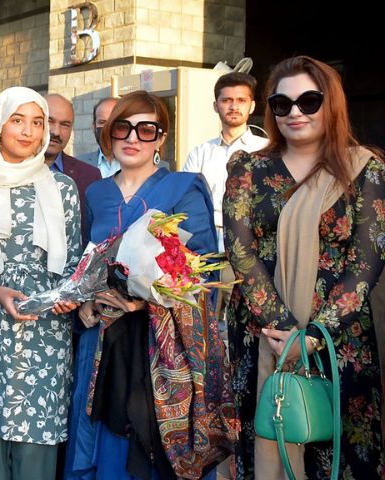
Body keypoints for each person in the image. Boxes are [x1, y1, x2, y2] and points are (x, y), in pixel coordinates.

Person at [224, 55, 385, 479]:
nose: (295, 112)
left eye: (309, 101)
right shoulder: (248, 169)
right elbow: (240, 250)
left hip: (338, 339)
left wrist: (313, 335)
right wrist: (284, 331)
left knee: (337, 454)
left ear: (331, 105)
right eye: (282, 104)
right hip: (264, 337)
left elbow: (367, 261)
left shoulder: (365, 170)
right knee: (269, 432)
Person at [66, 90, 235, 480]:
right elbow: (87, 263)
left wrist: (147, 301)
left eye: (146, 130)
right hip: (103, 340)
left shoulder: (183, 187)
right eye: (122, 127)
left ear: (161, 139)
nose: (132, 138)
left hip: (160, 347)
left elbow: (202, 271)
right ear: (109, 134)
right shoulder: (97, 193)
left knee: (154, 454)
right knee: (103, 446)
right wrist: (86, 303)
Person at [0, 86, 81, 479]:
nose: (28, 131)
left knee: (36, 451)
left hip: (46, 335)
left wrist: (69, 297)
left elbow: (74, 265)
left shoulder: (63, 190)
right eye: (18, 120)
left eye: (37, 122)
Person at [183, 71, 268, 252]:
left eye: (241, 100)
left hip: (254, 244)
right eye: (226, 100)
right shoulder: (199, 154)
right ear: (215, 105)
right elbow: (187, 204)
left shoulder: (267, 151)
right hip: (206, 243)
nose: (233, 106)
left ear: (252, 106)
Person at [44, 93, 101, 231]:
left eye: (65, 125)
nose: (56, 132)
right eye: (49, 121)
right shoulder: (9, 173)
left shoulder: (90, 177)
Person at [80, 96, 120, 178]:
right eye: (102, 122)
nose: (108, 129)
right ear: (94, 127)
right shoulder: (79, 164)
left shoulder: (140, 164)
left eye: (114, 122)